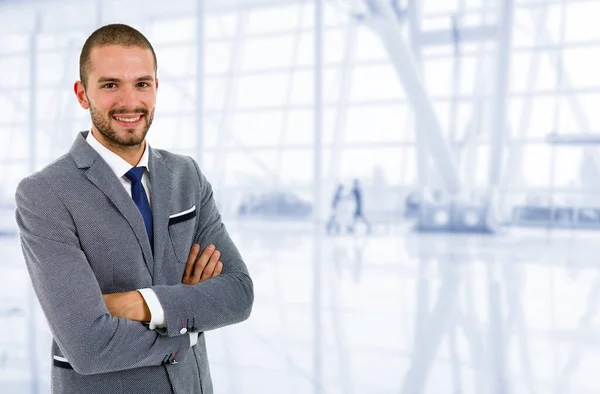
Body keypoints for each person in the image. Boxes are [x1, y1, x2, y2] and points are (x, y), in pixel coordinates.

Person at [14, 24, 253, 394]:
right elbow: (88, 344)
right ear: (82, 94)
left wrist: (135, 304)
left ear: (156, 88)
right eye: (110, 85)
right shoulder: (45, 194)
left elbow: (237, 294)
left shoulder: (186, 176)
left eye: (141, 83)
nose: (129, 101)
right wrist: (186, 324)